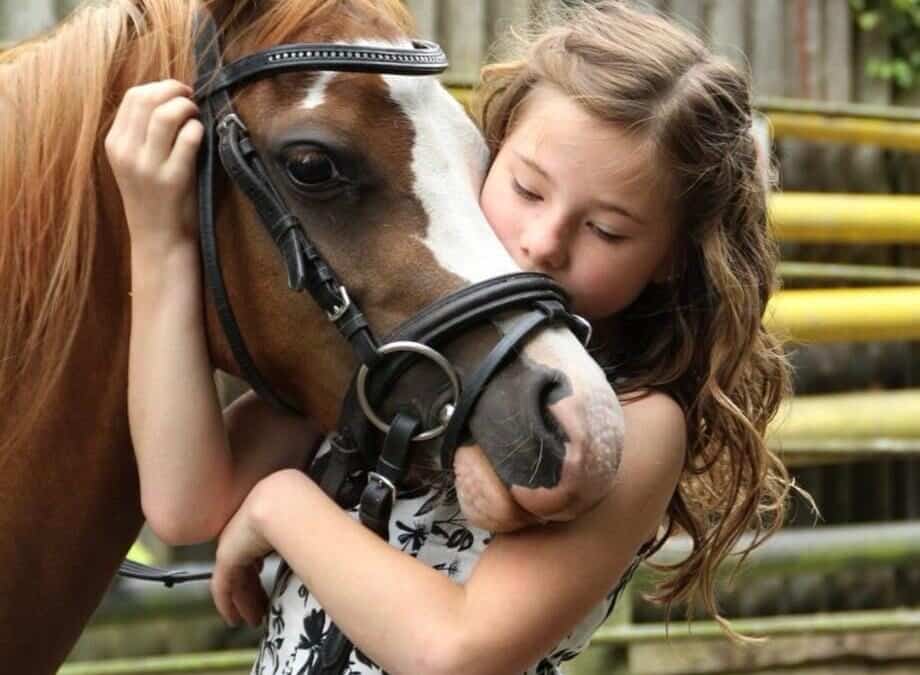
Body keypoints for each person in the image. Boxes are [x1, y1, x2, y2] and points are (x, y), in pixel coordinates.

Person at [105, 1, 794, 673]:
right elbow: (186, 502)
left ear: (674, 256)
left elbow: (458, 651)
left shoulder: (640, 420)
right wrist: (159, 239)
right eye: (526, 189)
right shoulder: (395, 358)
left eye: (606, 230)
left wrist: (279, 505)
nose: (544, 241)